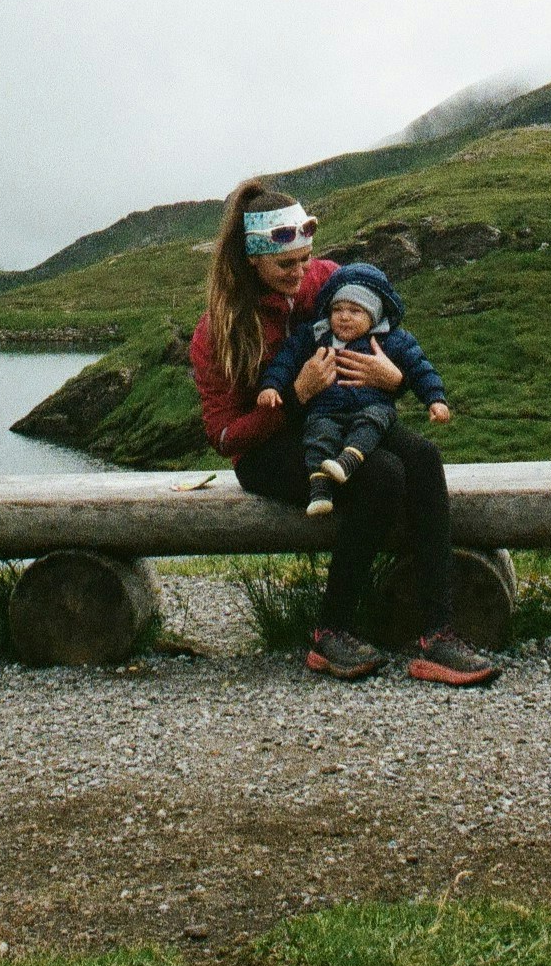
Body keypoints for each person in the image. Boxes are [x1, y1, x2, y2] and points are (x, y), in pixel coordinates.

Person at [189, 177, 499, 685]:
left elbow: (388, 338)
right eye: (285, 264)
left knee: (421, 457)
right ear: (252, 259)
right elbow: (224, 437)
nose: (301, 273)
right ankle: (331, 631)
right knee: (380, 476)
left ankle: (438, 635)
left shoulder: (327, 283)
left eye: (306, 258)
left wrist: (394, 382)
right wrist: (296, 397)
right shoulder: (219, 329)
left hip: (343, 416)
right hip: (269, 450)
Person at [256, 260, 449, 516]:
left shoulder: (392, 340)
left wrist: (435, 400)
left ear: (374, 314)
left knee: (375, 420)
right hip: (327, 411)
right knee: (318, 435)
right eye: (338, 309)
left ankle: (348, 460)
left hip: (371, 407)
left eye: (355, 311)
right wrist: (271, 386)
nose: (344, 316)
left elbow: (420, 368)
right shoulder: (315, 336)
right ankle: (320, 490)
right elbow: (285, 361)